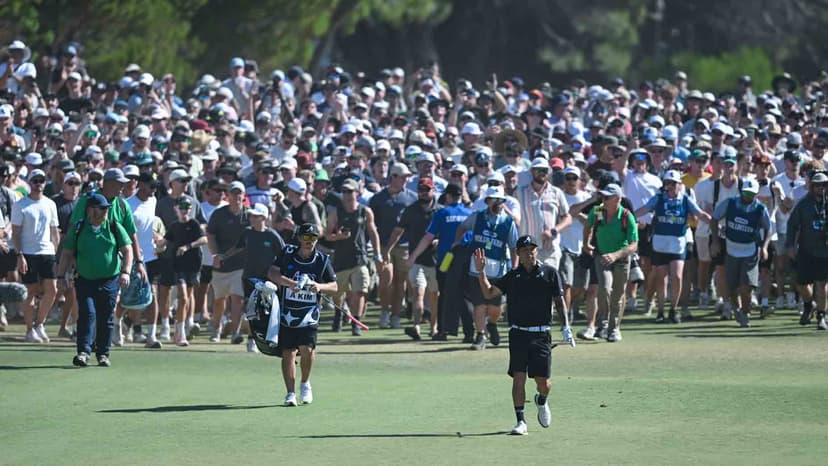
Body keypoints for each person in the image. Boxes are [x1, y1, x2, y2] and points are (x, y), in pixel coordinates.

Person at [473, 235, 574, 435]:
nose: (530, 252)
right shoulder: (513, 276)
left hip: (541, 334)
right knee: (518, 378)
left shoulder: (550, 273)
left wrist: (566, 327)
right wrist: (481, 272)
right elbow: (489, 293)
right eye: (525, 249)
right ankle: (521, 422)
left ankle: (541, 400)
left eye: (532, 249)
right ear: (518, 254)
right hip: (518, 334)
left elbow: (559, 302)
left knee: (543, 383)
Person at [57, 193, 133, 367]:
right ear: (91, 210)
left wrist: (126, 272)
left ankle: (103, 354)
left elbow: (128, 250)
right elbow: (67, 253)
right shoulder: (78, 228)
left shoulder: (114, 226)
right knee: (87, 313)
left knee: (106, 316)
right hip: (84, 279)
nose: (106, 211)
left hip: (110, 280)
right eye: (102, 208)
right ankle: (83, 352)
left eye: (107, 208)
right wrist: (61, 275)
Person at [268, 223, 337, 406]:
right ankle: (290, 393)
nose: (309, 242)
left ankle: (305, 383)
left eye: (313, 238)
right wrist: (290, 283)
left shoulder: (322, 259)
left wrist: (319, 286)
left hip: (309, 314)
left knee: (307, 350)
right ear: (299, 238)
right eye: (306, 238)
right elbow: (272, 273)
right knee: (288, 352)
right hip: (287, 312)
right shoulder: (288, 253)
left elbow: (334, 286)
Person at [634, 170, 710, 323]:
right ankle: (661, 310)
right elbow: (643, 209)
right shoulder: (658, 198)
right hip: (660, 243)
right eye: (667, 183)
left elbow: (700, 214)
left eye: (673, 183)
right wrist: (628, 217)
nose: (670, 186)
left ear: (679, 185)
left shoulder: (685, 199)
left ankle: (674, 309)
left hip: (678, 242)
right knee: (661, 278)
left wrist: (715, 223)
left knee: (677, 276)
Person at [454, 186, 518, 350]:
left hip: (499, 270)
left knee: (495, 308)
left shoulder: (508, 222)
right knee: (479, 304)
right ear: (487, 201)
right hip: (477, 268)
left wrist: (515, 267)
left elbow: (513, 246)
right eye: (494, 200)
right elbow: (462, 227)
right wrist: (457, 241)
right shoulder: (477, 217)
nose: (497, 203)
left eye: (500, 200)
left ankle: (492, 325)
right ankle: (480, 335)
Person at [324, 178, 382, 335]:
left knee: (360, 291)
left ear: (357, 192)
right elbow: (327, 235)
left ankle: (356, 321)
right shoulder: (335, 211)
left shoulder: (365, 211)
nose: (347, 195)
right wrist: (339, 237)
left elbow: (373, 232)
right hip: (342, 258)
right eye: (344, 192)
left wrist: (378, 254)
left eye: (350, 191)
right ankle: (338, 315)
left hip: (360, 257)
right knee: (338, 292)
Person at [386, 177, 441, 340]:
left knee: (434, 295)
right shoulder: (411, 210)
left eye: (427, 190)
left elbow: (449, 232)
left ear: (433, 190)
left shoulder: (440, 210)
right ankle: (416, 326)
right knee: (417, 293)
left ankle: (434, 327)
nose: (423, 193)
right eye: (421, 190)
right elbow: (398, 231)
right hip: (416, 260)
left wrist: (441, 240)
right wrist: (387, 250)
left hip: (436, 260)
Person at [711, 178, 771, 328]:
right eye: (745, 193)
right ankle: (736, 309)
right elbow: (714, 218)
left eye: (751, 194)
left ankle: (745, 313)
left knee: (747, 286)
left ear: (756, 194)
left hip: (750, 250)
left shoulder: (760, 209)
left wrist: (764, 247)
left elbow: (769, 228)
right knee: (732, 287)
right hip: (731, 249)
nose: (747, 197)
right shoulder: (730, 203)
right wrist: (716, 241)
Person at [583, 183, 638, 342]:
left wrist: (615, 255)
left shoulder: (627, 216)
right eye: (603, 196)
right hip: (601, 256)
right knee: (604, 288)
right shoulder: (599, 211)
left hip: (621, 258)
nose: (603, 200)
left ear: (617, 199)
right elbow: (588, 225)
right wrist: (586, 243)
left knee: (618, 295)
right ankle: (603, 325)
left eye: (607, 197)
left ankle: (614, 329)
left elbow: (633, 244)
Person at [11, 168, 59, 343]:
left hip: (47, 252)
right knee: (30, 292)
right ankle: (29, 330)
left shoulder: (50, 204)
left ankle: (40, 324)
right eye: (35, 181)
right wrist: (20, 255)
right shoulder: (21, 205)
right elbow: (15, 233)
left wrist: (56, 252)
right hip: (28, 253)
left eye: (41, 181)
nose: (38, 184)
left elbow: (54, 231)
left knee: (52, 290)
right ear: (30, 183)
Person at [229, 202, 284, 351]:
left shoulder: (272, 235)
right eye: (251, 216)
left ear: (264, 218)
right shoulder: (247, 232)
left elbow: (283, 254)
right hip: (249, 277)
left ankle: (265, 338)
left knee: (265, 309)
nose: (252, 219)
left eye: (256, 216)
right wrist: (223, 256)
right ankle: (252, 340)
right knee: (251, 308)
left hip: (268, 279)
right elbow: (238, 247)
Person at [368, 162, 415, 329]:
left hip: (404, 246)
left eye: (407, 177)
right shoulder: (378, 199)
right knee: (386, 281)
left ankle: (395, 315)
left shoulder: (411, 197)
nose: (405, 180)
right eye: (403, 177)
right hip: (382, 245)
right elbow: (371, 225)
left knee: (400, 282)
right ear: (393, 177)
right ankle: (385, 312)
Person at [207, 181, 249, 343]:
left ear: (244, 196)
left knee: (237, 299)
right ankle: (217, 330)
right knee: (219, 301)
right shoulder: (219, 214)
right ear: (228, 195)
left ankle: (235, 333)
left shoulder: (249, 215)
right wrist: (216, 254)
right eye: (233, 193)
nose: (236, 196)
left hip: (240, 265)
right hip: (221, 266)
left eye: (239, 193)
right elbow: (210, 235)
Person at [785, 171, 828, 330]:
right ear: (812, 187)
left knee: (822, 284)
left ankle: (821, 316)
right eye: (817, 185)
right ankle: (809, 304)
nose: (821, 188)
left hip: (825, 251)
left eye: (824, 185)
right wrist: (790, 245)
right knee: (802, 283)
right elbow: (792, 225)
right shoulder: (803, 204)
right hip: (806, 249)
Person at [162, 197, 207, 346]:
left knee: (188, 296)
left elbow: (204, 240)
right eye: (182, 207)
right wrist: (158, 245)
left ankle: (185, 326)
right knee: (183, 298)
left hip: (193, 265)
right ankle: (180, 333)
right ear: (176, 208)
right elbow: (166, 241)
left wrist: (188, 246)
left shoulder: (193, 224)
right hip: (178, 265)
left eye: (187, 207)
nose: (185, 210)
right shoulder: (174, 226)